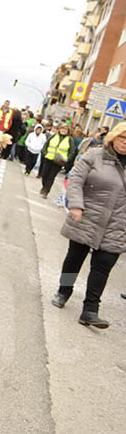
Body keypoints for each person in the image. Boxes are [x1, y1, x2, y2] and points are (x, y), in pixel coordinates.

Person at [50, 122, 126, 328]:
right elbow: (75, 179)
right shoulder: (95, 155)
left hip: (117, 225)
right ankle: (63, 291)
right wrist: (76, 205)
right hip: (87, 216)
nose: (125, 143)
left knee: (102, 267)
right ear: (113, 137)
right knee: (74, 259)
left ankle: (90, 310)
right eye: (122, 138)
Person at [40, 122, 76, 198]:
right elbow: (46, 144)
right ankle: (44, 186)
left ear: (68, 131)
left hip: (59, 161)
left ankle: (46, 191)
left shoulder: (70, 139)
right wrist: (44, 153)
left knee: (51, 176)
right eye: (62, 128)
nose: (64, 130)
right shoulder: (54, 136)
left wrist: (67, 160)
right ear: (59, 129)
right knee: (44, 174)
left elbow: (72, 151)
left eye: (66, 129)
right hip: (49, 158)